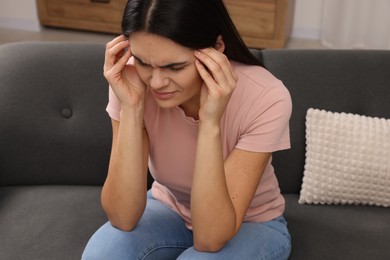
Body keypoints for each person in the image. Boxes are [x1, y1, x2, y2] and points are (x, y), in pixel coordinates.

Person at [82, 0, 292, 259]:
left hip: (251, 224)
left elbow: (209, 239)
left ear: (216, 48)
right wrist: (132, 108)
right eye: (144, 62)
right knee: (103, 253)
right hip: (170, 208)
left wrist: (210, 121)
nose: (157, 82)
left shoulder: (266, 97)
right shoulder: (131, 82)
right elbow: (122, 217)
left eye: (174, 67)